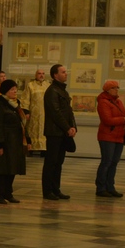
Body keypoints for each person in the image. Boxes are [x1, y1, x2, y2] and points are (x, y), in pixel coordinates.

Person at [41, 63, 76, 200]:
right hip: (54, 132)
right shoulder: (52, 91)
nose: (66, 74)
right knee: (51, 162)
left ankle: (56, 189)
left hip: (63, 132)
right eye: (63, 72)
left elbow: (68, 112)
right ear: (55, 75)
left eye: (65, 72)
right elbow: (55, 113)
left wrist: (73, 127)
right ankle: (47, 190)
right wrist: (67, 127)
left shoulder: (63, 91)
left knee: (59, 162)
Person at [0, 79, 27, 204]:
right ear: (5, 91)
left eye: (15, 89)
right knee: (2, 169)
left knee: (12, 168)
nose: (15, 91)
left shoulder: (15, 104)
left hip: (15, 142)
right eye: (12, 89)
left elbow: (21, 124)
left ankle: (8, 193)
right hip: (5, 141)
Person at [95, 79, 125, 198]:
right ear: (107, 90)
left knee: (114, 162)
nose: (116, 90)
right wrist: (123, 120)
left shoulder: (118, 102)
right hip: (107, 136)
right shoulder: (103, 102)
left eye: (117, 88)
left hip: (119, 136)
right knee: (106, 162)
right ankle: (101, 188)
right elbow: (107, 120)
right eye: (114, 88)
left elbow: (123, 116)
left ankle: (110, 187)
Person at [23, 68, 49, 153]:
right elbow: (25, 99)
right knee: (32, 130)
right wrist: (26, 111)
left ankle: (44, 150)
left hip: (45, 113)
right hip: (34, 113)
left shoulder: (48, 85)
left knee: (44, 131)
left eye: (43, 73)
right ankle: (31, 148)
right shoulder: (30, 85)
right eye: (39, 73)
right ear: (35, 75)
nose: (41, 75)